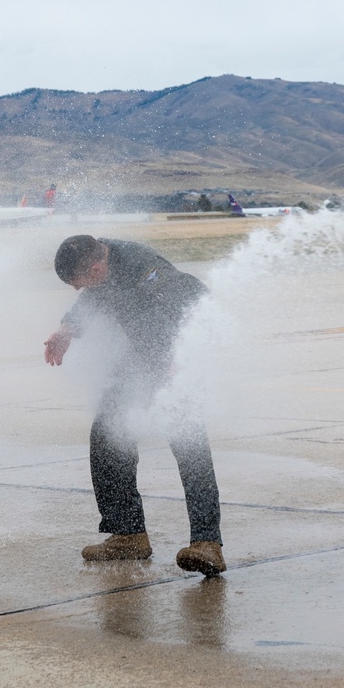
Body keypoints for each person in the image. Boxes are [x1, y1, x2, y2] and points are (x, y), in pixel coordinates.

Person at [43, 233, 225, 577]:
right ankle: (128, 534)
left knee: (186, 439)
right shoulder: (100, 256)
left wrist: (179, 359)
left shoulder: (146, 270)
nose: (78, 290)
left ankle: (207, 543)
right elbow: (91, 299)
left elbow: (182, 303)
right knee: (108, 431)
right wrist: (67, 328)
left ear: (97, 267)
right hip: (143, 352)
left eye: (81, 282)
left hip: (180, 349)